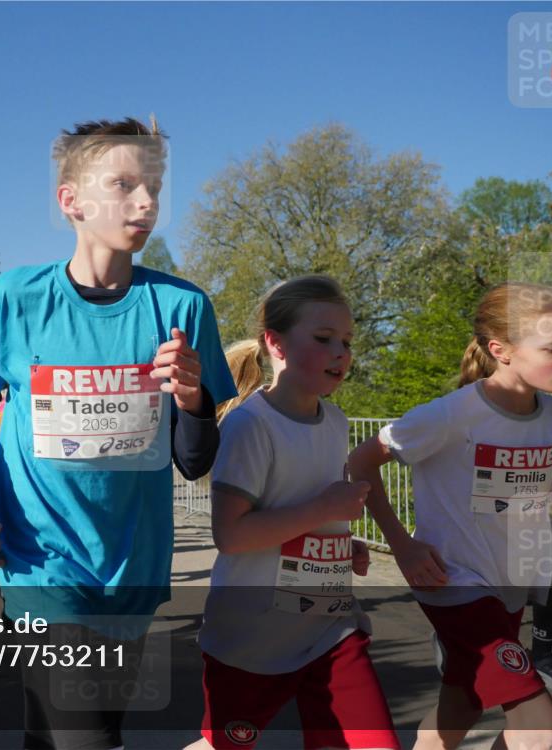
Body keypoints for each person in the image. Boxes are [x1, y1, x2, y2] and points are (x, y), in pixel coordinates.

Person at [0, 116, 237, 750]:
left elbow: (193, 461)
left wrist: (192, 400)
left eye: (154, 186)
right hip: (39, 556)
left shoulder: (182, 308)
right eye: (124, 184)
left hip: (132, 562)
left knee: (60, 729)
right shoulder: (14, 298)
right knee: (88, 735)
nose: (147, 201)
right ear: (70, 200)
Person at [348, 282, 552, 750]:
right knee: (540, 725)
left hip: (510, 585)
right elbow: (360, 463)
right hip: (453, 582)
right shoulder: (449, 415)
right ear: (501, 350)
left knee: (462, 703)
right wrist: (402, 546)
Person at [186, 276, 398, 750]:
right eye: (323, 339)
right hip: (252, 640)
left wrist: (341, 543)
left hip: (329, 629)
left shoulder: (336, 421)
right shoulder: (250, 425)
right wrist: (324, 508)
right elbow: (232, 535)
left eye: (347, 342)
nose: (340, 352)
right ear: (275, 343)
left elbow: (304, 515)